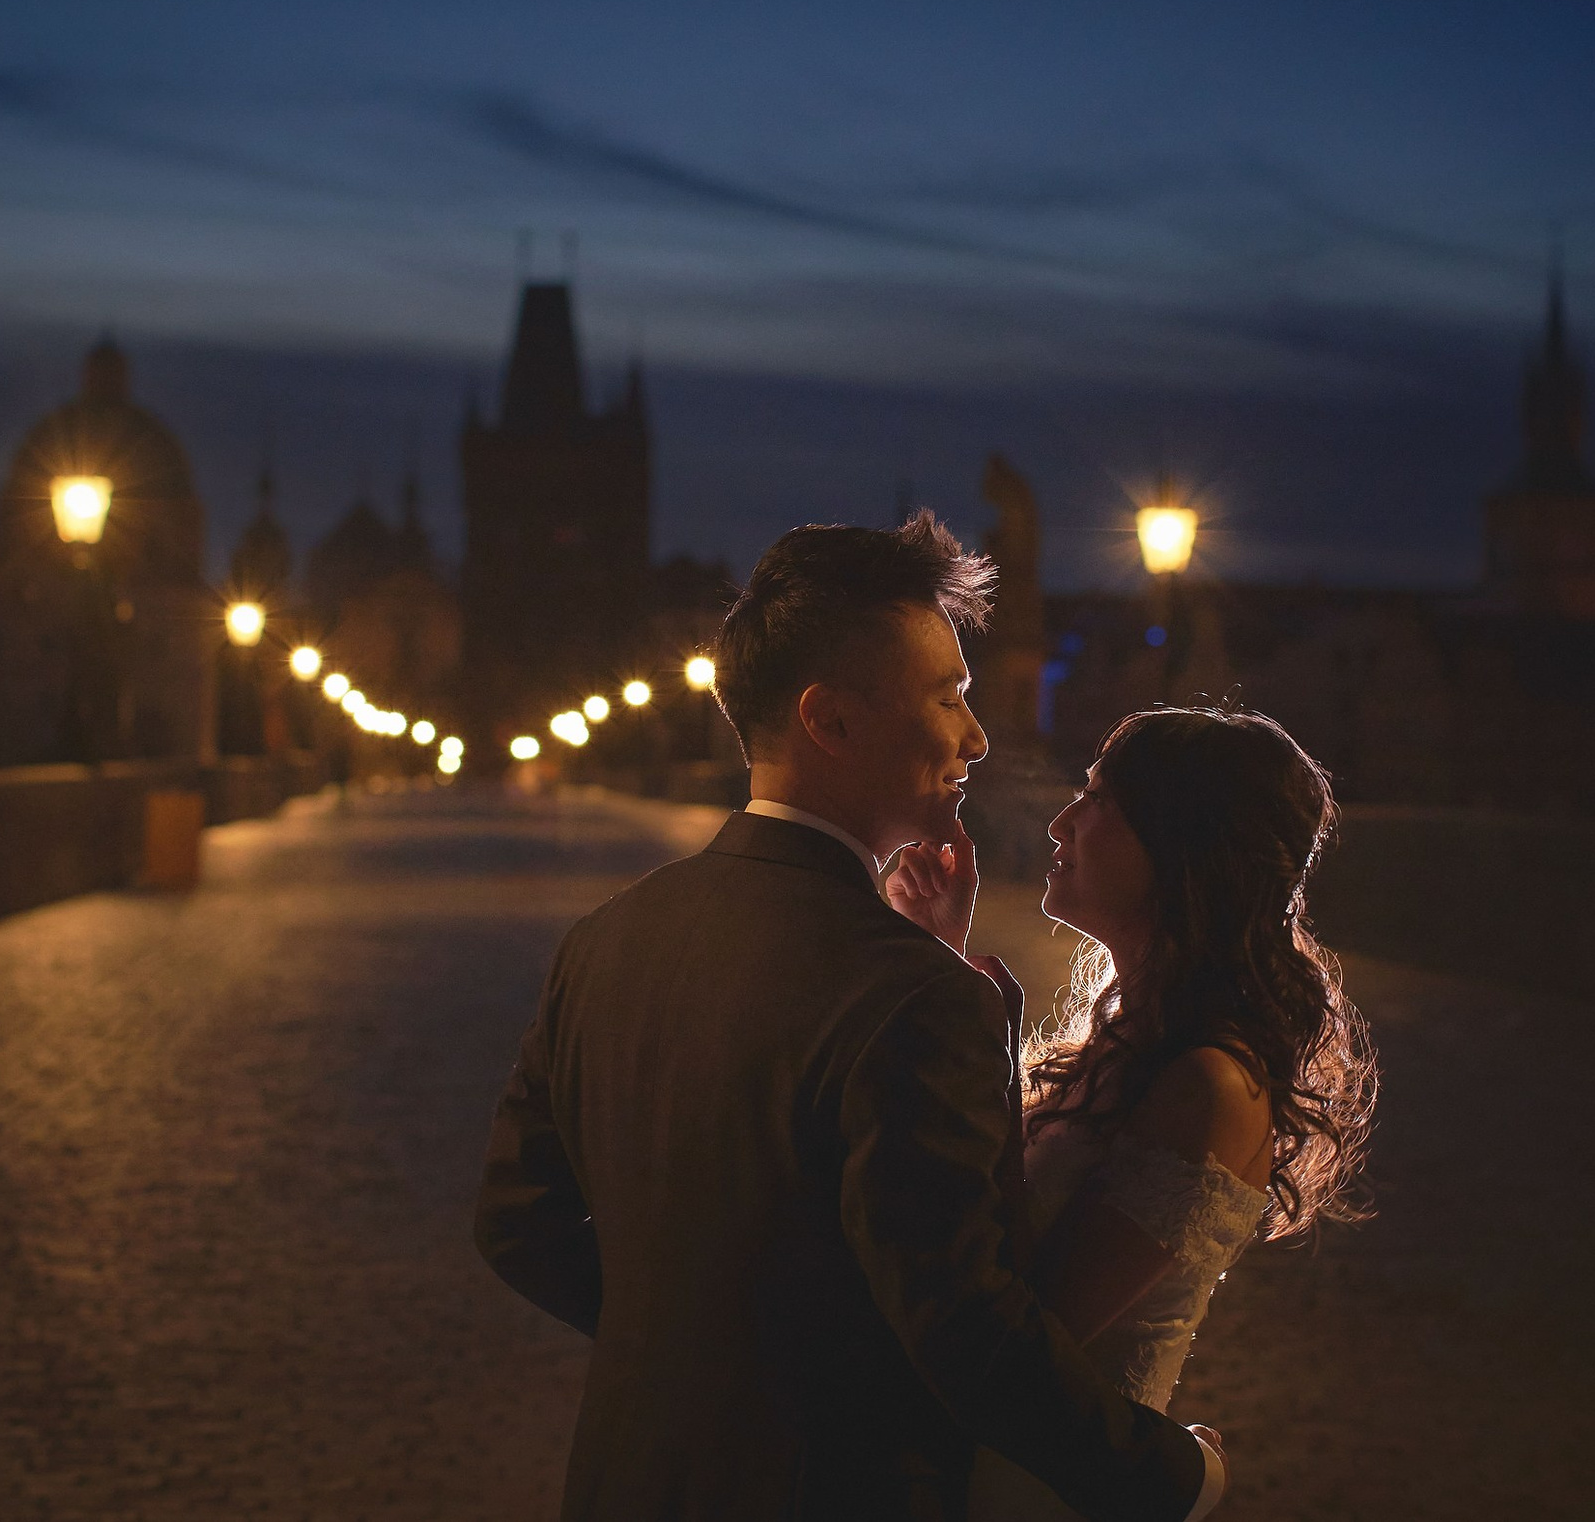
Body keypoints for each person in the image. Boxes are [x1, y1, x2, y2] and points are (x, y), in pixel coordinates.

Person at [476, 515, 1227, 1519]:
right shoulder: (914, 994)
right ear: (829, 721)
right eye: (948, 696)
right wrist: (1176, 1474)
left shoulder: (607, 936)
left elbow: (515, 1220)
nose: (978, 735)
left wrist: (703, 1346)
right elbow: (965, 1325)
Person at [968, 707, 1379, 1520]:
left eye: (1099, 801)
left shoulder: (1209, 1087)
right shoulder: (1129, 1039)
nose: (1062, 822)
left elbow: (1021, 1332)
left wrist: (1185, 1474)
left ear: (1185, 850)